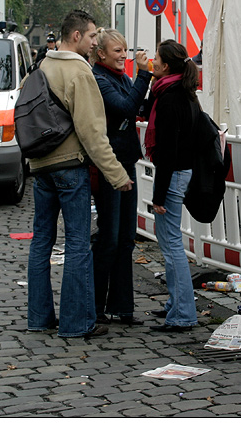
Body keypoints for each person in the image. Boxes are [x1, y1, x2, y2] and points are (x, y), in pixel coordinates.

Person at [26, 10, 133, 339]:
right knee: (77, 244)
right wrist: (117, 175)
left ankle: (39, 317)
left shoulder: (43, 66)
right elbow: (92, 133)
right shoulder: (79, 73)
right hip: (70, 166)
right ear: (76, 37)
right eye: (90, 36)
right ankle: (76, 323)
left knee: (41, 242)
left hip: (41, 165)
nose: (93, 42)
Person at [89, 28, 152, 326]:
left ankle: (123, 307)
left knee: (126, 237)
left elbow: (137, 107)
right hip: (110, 164)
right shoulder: (99, 79)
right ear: (101, 53)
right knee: (109, 238)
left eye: (125, 51)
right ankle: (97, 306)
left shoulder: (120, 77)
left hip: (127, 160)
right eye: (117, 51)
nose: (123, 56)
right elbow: (126, 108)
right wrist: (143, 76)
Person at [143, 39, 200, 333]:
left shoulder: (169, 98)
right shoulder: (181, 92)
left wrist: (158, 194)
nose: (151, 62)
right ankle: (175, 305)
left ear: (165, 66)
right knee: (169, 241)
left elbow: (167, 151)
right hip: (181, 172)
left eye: (155, 59)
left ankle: (183, 314)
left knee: (171, 244)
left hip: (174, 174)